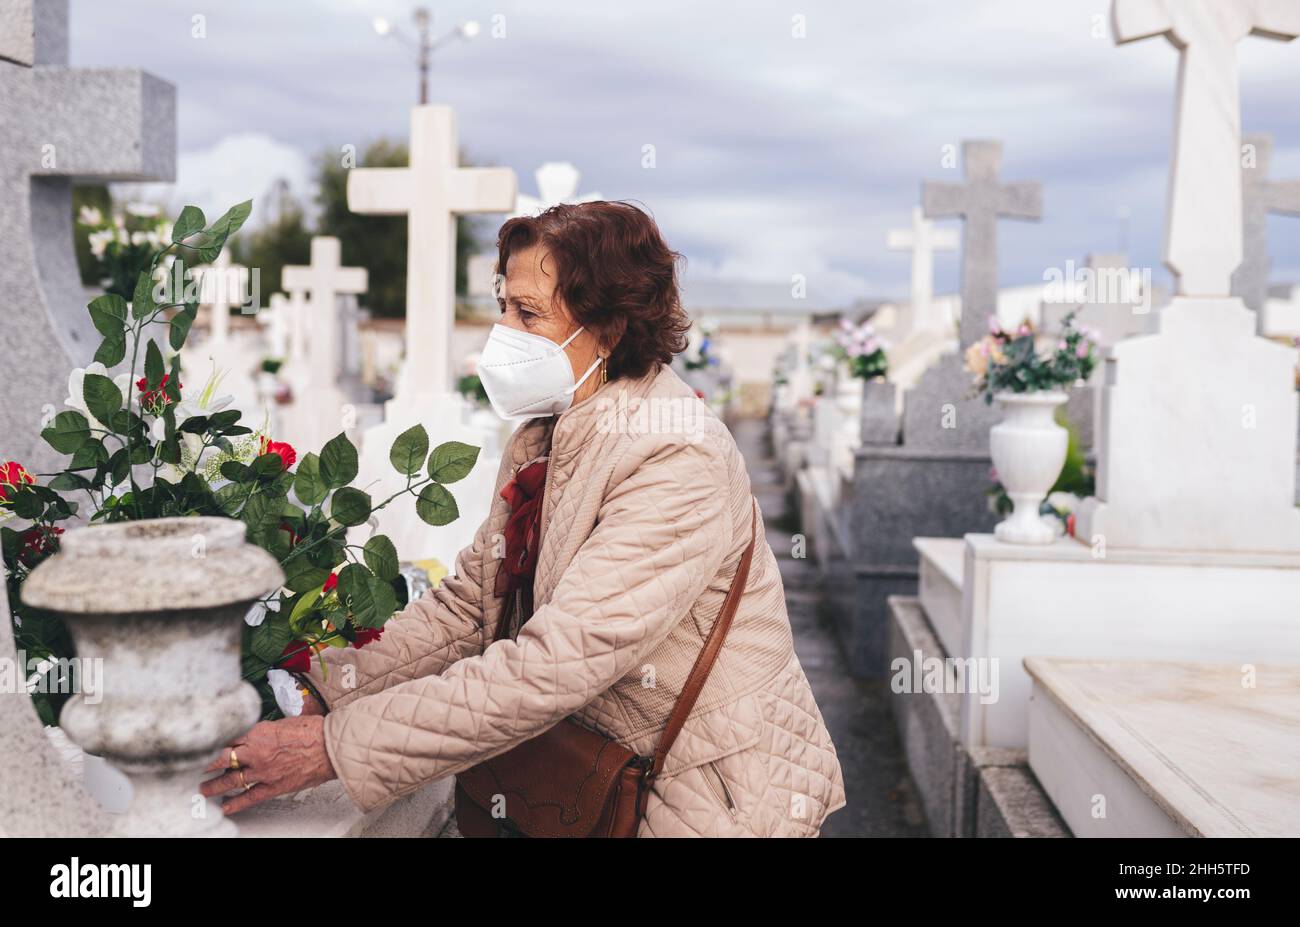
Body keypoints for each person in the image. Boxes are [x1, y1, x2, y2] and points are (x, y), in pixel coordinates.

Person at [201, 201, 846, 836]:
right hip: (613, 768)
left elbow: (555, 664)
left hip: (711, 791)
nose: (503, 333)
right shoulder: (549, 433)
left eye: (529, 313)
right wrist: (318, 687)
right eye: (503, 306)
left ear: (610, 327)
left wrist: (334, 748)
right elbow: (467, 610)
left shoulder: (675, 455)